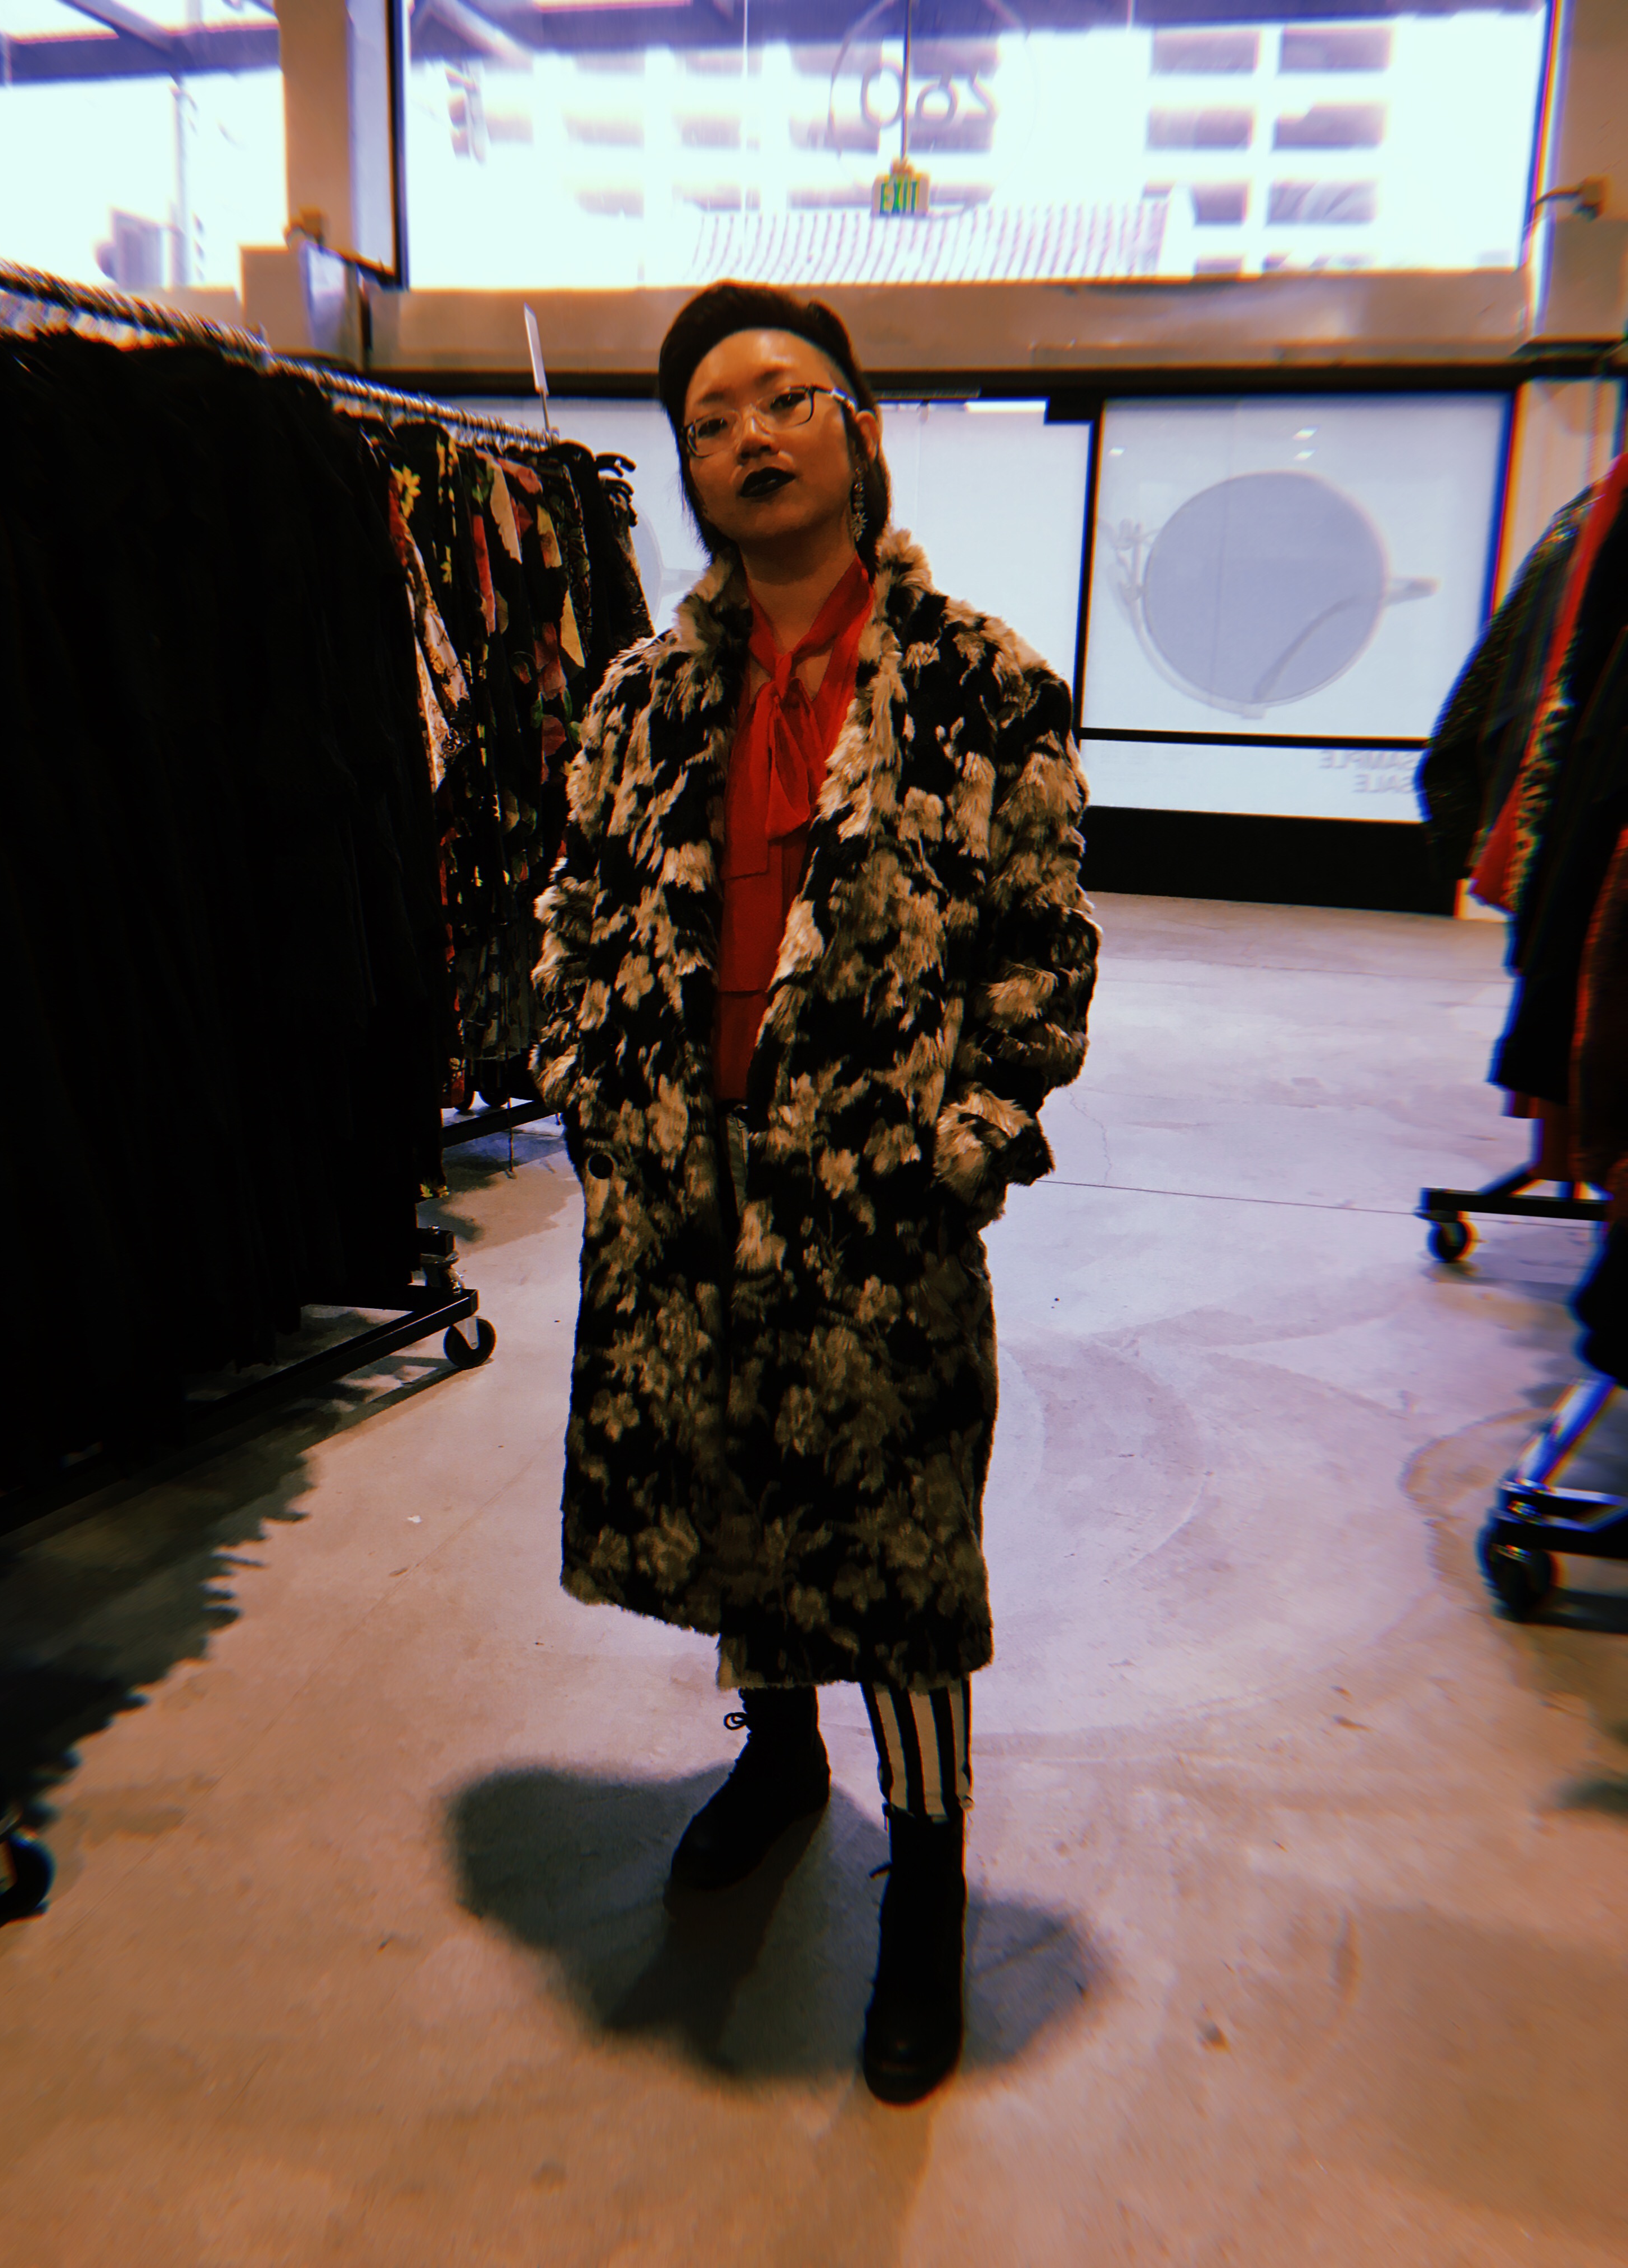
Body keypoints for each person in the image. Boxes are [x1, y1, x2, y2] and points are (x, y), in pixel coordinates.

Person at [532, 281, 1098, 2104]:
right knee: (728, 1500)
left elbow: (1042, 950)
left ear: (857, 430)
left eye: (783, 399)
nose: (749, 437)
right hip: (681, 1192)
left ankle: (924, 1889)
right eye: (710, 421)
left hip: (875, 1211)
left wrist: (963, 1145)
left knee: (900, 1565)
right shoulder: (641, 697)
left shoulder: (982, 682)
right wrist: (590, 1082)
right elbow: (577, 907)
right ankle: (776, 1759)